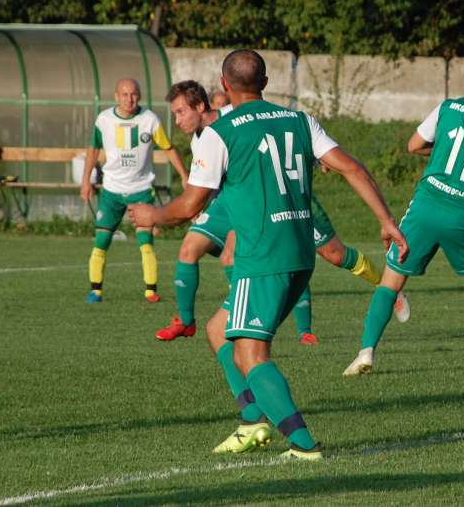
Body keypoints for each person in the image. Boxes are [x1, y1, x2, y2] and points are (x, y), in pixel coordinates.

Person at [130, 50, 407, 460]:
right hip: (300, 252)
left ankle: (302, 443)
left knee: (250, 352)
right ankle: (253, 421)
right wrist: (385, 219)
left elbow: (190, 206)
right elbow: (351, 167)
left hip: (262, 259)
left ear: (224, 86)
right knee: (218, 330)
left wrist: (153, 214)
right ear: (264, 81)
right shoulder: (299, 120)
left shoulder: (219, 134)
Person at [156, 81, 409, 343]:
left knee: (334, 254)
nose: (176, 120)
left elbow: (279, 136)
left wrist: (316, 155)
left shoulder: (235, 116)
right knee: (199, 249)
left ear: (200, 106)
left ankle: (387, 286)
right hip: (247, 206)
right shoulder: (202, 138)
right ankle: (198, 320)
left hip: (286, 197)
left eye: (180, 112)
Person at [344, 42, 464, 378]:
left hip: (425, 207)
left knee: (390, 282)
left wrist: (441, 155)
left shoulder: (449, 108)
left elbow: (414, 145)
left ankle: (366, 351)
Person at [80, 78, 188, 304]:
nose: (130, 99)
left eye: (135, 94)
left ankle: (150, 291)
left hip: (140, 191)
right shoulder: (104, 120)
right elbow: (93, 149)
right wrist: (86, 180)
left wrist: (184, 175)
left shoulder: (150, 120)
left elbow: (168, 149)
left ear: (140, 95)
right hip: (111, 191)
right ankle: (96, 291)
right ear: (116, 96)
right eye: (125, 94)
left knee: (145, 242)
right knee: (101, 241)